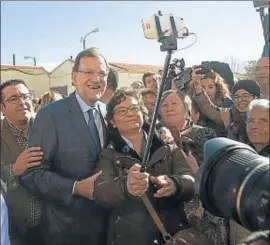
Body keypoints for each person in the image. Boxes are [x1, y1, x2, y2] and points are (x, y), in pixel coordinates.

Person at [21, 48, 109, 245]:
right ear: (74, 77)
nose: (96, 79)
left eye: (102, 73)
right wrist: (75, 188)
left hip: (108, 227)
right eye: (88, 72)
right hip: (65, 229)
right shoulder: (50, 116)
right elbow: (32, 173)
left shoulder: (109, 112)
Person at [94, 88, 195, 245]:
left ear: (143, 112)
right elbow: (101, 192)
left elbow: (190, 179)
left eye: (134, 108)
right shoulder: (108, 154)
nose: (129, 113)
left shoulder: (166, 144)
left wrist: (174, 184)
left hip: (171, 232)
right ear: (112, 121)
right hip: (130, 237)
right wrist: (126, 187)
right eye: (121, 110)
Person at [160, 90, 230, 245]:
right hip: (167, 211)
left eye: (174, 103)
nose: (169, 108)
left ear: (187, 109)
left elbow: (219, 177)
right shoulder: (155, 138)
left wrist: (198, 171)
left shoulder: (207, 135)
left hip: (202, 214)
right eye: (164, 105)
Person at [0, 79, 44, 245]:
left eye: (25, 96)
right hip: (15, 228)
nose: (22, 102)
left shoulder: (46, 127)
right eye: (13, 99)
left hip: (52, 224)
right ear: (2, 108)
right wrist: (14, 170)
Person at [192, 68, 261, 144]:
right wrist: (197, 85)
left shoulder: (265, 115)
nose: (240, 99)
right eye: (237, 96)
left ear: (256, 97)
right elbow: (209, 109)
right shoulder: (229, 115)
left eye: (245, 96)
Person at [189, 70, 234, 136]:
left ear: (217, 88)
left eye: (210, 87)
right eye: (202, 87)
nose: (206, 91)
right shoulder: (192, 103)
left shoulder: (226, 103)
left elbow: (211, 111)